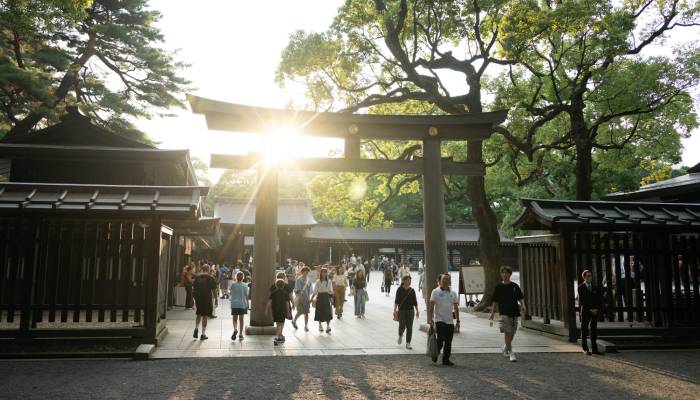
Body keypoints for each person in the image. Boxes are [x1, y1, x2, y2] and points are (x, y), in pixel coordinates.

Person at [489, 266, 526, 362]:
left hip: (514, 312)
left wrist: (523, 305)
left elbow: (520, 297)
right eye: (503, 273)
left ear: (510, 274)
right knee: (507, 333)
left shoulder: (514, 286)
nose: (505, 275)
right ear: (501, 274)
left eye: (507, 273)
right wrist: (492, 313)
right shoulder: (498, 287)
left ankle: (506, 347)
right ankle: (511, 353)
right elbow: (495, 301)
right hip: (504, 313)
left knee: (512, 334)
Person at [428, 273, 459, 366]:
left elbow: (456, 308)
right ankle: (435, 353)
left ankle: (446, 359)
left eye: (448, 279)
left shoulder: (453, 293)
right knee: (441, 338)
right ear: (439, 281)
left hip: (450, 320)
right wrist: (430, 318)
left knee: (449, 341)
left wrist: (458, 321)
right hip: (439, 319)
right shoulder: (435, 292)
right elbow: (431, 306)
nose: (446, 281)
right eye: (444, 279)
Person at [579, 269, 602, 355]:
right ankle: (585, 348)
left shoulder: (595, 287)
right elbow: (582, 301)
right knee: (584, 330)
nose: (590, 278)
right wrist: (590, 309)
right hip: (586, 311)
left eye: (591, 276)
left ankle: (594, 349)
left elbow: (598, 299)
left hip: (594, 311)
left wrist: (596, 309)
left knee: (593, 330)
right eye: (588, 276)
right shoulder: (581, 287)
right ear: (584, 277)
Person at [192, 264, 217, 340]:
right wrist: (216, 299)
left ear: (202, 269)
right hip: (207, 298)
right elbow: (214, 290)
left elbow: (193, 288)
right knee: (205, 315)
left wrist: (194, 299)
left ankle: (196, 328)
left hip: (198, 298)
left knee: (199, 314)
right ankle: (203, 334)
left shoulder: (197, 277)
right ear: (209, 270)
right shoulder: (211, 278)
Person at [394, 275, 419, 349]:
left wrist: (417, 310)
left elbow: (415, 301)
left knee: (409, 327)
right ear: (403, 281)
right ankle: (400, 335)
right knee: (402, 325)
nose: (409, 282)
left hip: (410, 311)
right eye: (408, 280)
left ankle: (408, 343)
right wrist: (395, 310)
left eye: (410, 280)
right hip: (401, 311)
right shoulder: (399, 289)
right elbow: (396, 301)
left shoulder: (412, 290)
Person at [268, 278, 291, 345]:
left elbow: (269, 302)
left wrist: (267, 310)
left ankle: (278, 336)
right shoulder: (285, 293)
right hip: (283, 310)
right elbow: (287, 303)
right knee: (281, 324)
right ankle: (277, 337)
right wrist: (288, 312)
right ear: (283, 285)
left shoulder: (273, 293)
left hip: (275, 310)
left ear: (276, 285)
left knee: (278, 324)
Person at [311, 267, 333, 333]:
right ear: (321, 273)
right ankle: (320, 325)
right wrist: (311, 298)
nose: (324, 274)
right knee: (319, 311)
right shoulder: (318, 281)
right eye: (323, 272)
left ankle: (328, 326)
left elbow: (331, 290)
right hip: (320, 297)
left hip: (326, 297)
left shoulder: (329, 281)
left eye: (325, 272)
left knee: (328, 311)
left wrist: (331, 297)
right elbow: (315, 291)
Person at [292, 266, 313, 331]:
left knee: (306, 313)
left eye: (307, 272)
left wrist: (309, 298)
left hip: (307, 298)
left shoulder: (308, 280)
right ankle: (294, 321)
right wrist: (300, 297)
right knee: (300, 312)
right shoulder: (299, 279)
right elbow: (297, 290)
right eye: (305, 271)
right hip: (301, 298)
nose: (306, 273)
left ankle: (306, 326)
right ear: (302, 272)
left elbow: (310, 290)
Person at [229, 271, 249, 341]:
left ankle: (235, 329)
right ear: (243, 277)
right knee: (241, 319)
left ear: (236, 277)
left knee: (235, 318)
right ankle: (240, 334)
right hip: (242, 304)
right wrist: (248, 304)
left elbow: (230, 293)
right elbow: (247, 296)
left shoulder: (233, 284)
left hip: (234, 304)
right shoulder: (245, 285)